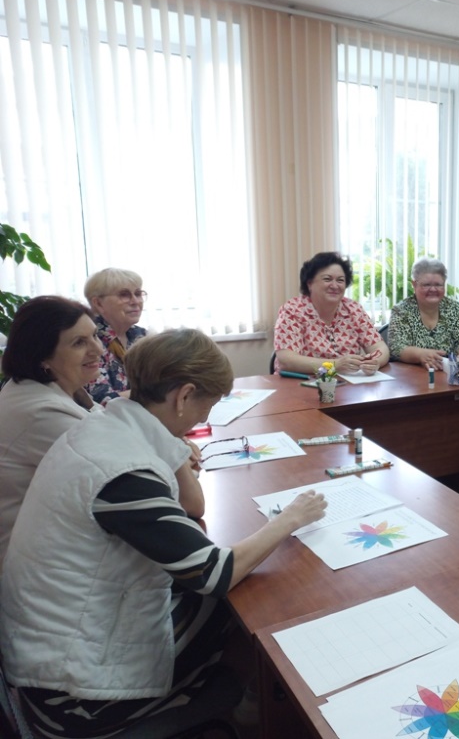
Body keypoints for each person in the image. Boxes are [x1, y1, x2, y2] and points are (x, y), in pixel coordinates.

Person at [0, 329, 327, 737]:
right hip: (70, 695)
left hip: (51, 646)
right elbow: (214, 573)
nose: (205, 418)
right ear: (183, 395)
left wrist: (173, 434)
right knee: (252, 607)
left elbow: (192, 507)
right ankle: (256, 712)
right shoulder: (123, 470)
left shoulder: (110, 423)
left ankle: (246, 701)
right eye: (207, 404)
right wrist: (290, 518)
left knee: (224, 594)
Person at [0, 296, 102, 568]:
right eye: (79, 343)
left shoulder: (58, 391)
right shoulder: (42, 412)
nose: (98, 349)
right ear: (43, 355)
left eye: (94, 336)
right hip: (33, 571)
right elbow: (120, 479)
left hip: (52, 548)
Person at [273, 251, 389, 376]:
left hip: (348, 384)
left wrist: (375, 362)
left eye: (340, 280)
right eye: (327, 279)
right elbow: (287, 360)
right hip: (301, 383)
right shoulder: (292, 310)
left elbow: (380, 348)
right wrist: (335, 365)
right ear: (309, 283)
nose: (335, 286)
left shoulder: (353, 309)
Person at [388, 257, 459, 372]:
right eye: (426, 285)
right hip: (413, 375)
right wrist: (421, 354)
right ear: (414, 284)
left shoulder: (454, 308)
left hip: (450, 375)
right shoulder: (401, 311)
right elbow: (397, 348)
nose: (433, 289)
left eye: (438, 284)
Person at [84, 267, 148, 405]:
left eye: (138, 294)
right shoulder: (89, 341)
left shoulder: (142, 336)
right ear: (98, 303)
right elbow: (102, 401)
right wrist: (156, 393)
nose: (135, 301)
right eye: (124, 295)